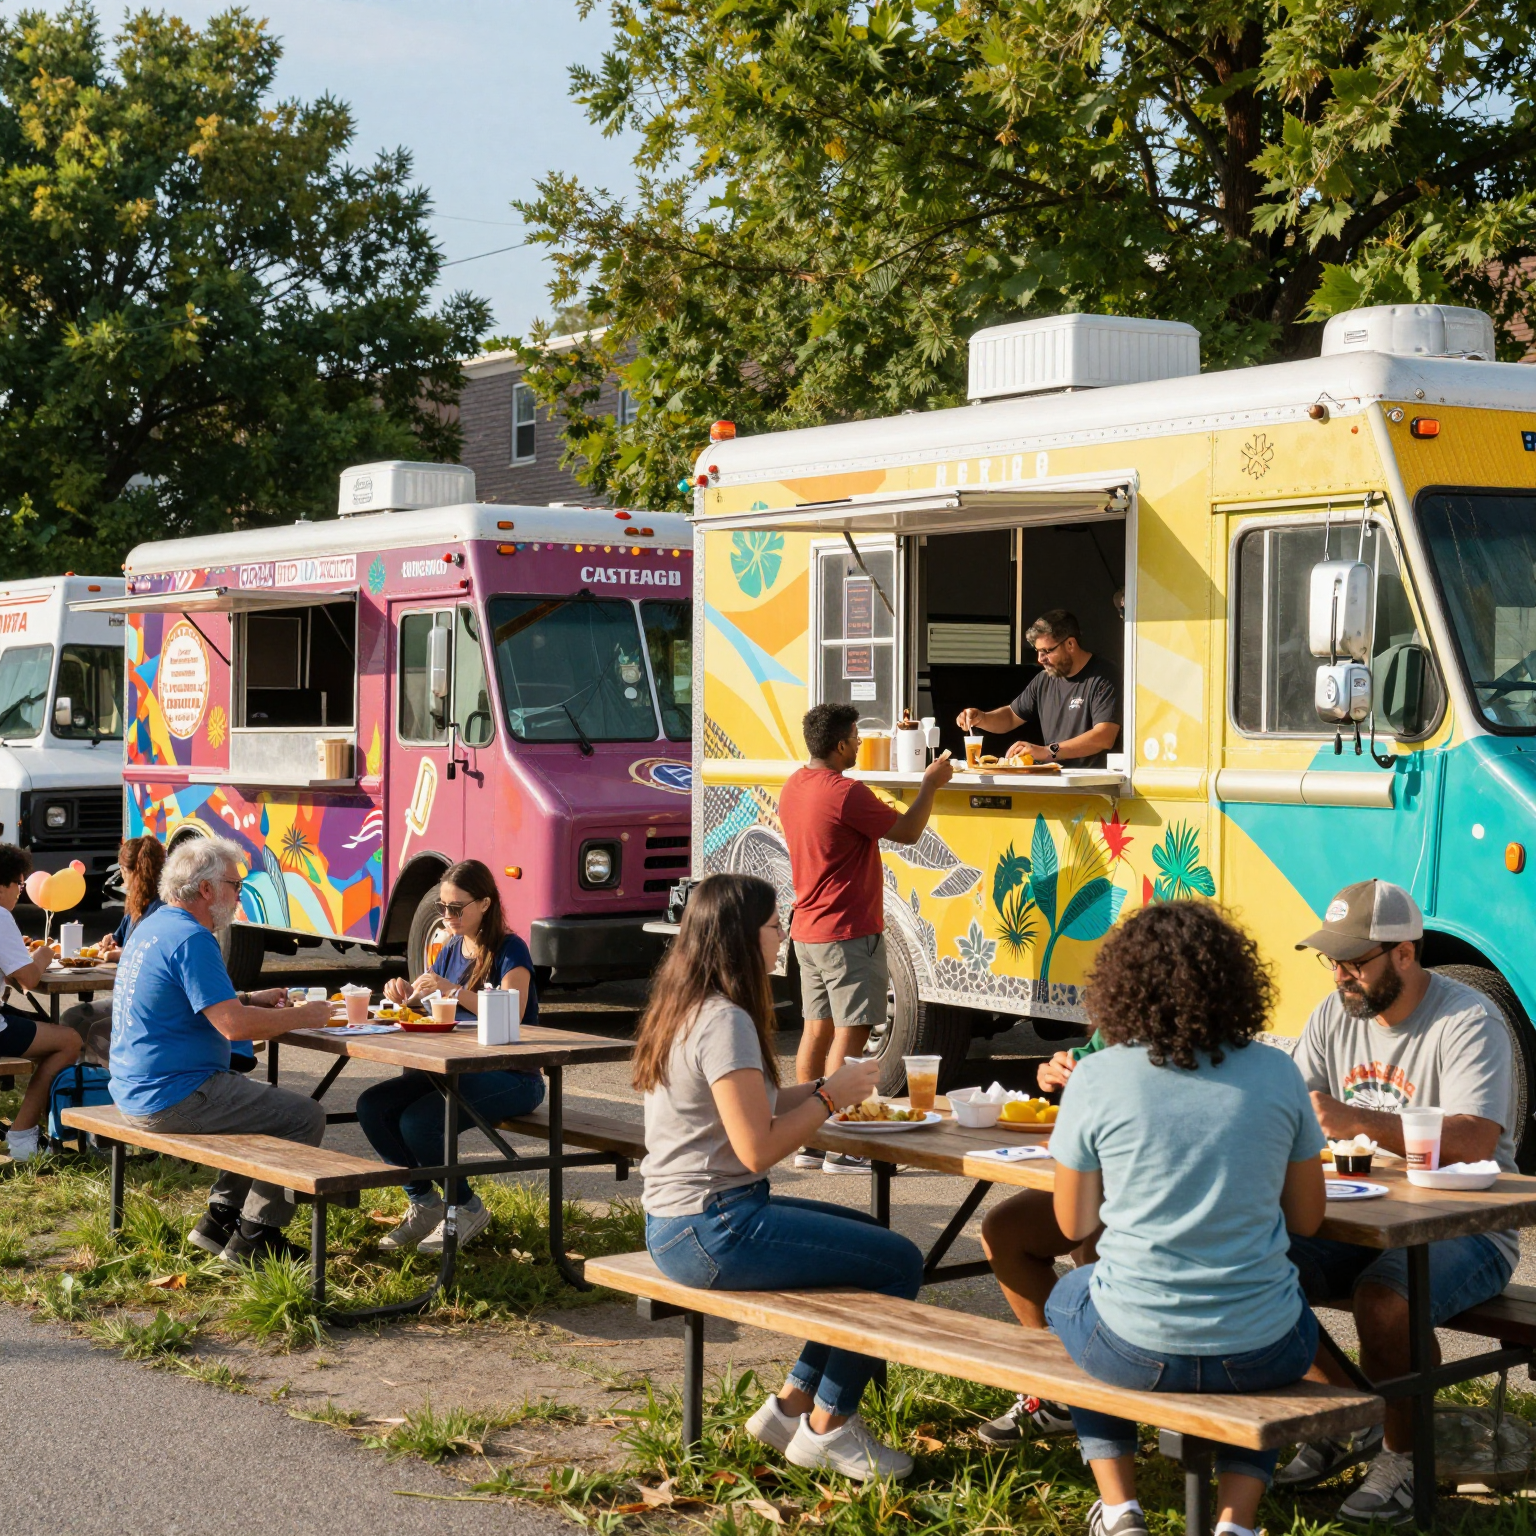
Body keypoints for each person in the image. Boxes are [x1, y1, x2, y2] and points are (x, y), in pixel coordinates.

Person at [1042, 901, 1327, 1536]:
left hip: (1133, 1350)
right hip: (1261, 1351)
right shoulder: (1279, 1073)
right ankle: (1238, 1522)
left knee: (1072, 1297)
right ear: (1236, 980)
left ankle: (1120, 1510)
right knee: (1277, 1310)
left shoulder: (1096, 1077)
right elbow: (1308, 1218)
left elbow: (1071, 1226)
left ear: (1121, 985)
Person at [636, 872, 925, 1482]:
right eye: (774, 926)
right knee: (896, 1263)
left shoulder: (690, 1004)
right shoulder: (724, 1021)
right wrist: (828, 1100)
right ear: (742, 938)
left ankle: (792, 1407)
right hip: (712, 1226)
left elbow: (754, 1104)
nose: (783, 939)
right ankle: (830, 1426)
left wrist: (823, 1088)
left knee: (871, 1250)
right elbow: (756, 1148)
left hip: (684, 1221)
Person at [1281, 880, 1518, 1524]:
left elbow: (1476, 1138)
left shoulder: (1468, 1019)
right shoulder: (1334, 1013)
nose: (1339, 975)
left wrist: (1352, 1117)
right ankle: (1342, 1415)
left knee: (1385, 1301)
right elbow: (1294, 1107)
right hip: (1362, 1215)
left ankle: (1406, 1457)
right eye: (1331, 960)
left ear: (1406, 955)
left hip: (1469, 1224)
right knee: (1253, 1266)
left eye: (1355, 961)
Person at [110, 836, 334, 1264]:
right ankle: (256, 1236)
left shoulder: (156, 925)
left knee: (256, 1105)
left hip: (136, 1087)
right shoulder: (193, 938)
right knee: (303, 1117)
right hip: (170, 1094)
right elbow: (233, 1028)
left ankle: (219, 1219)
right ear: (207, 890)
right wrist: (307, 1015)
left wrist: (249, 998)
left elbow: (195, 1002)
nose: (239, 895)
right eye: (236, 885)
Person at [779, 701, 953, 1173]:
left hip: (807, 929)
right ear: (839, 745)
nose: (859, 745)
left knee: (816, 1031)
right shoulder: (845, 792)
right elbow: (910, 831)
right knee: (852, 1037)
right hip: (849, 930)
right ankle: (845, 1143)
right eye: (856, 738)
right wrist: (929, 785)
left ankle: (809, 1140)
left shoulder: (794, 785)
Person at [360, 858, 545, 1254]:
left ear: (485, 904)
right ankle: (426, 1203)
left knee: (420, 1122)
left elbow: (512, 1012)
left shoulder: (511, 949)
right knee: (372, 1106)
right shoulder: (450, 948)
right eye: (442, 908)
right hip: (453, 1071)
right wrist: (404, 994)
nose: (448, 916)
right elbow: (428, 1006)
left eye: (457, 908)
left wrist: (452, 990)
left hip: (514, 1076)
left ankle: (465, 1206)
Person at [976, 1025, 1107, 1445]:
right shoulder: (1124, 1017)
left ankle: (1097, 1388)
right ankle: (1061, 1390)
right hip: (1110, 1177)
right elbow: (1088, 1058)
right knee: (1006, 1231)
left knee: (1093, 1239)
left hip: (1152, 1193)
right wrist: (1057, 1070)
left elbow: (1075, 1221)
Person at [0, 843, 82, 1162]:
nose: (21, 892)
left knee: (48, 1033)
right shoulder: (2, 916)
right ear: (3, 884)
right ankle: (23, 1139)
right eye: (19, 884)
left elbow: (12, 977)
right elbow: (29, 981)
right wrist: (43, 954)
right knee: (69, 1041)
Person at [957, 609, 1121, 768]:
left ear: (1070, 644)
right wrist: (982, 718)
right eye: (1037, 651)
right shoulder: (1044, 679)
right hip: (1055, 781)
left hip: (1094, 785)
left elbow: (1104, 736)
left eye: (1046, 651)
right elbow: (1011, 716)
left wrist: (1047, 751)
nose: (1040, 659)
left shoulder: (1104, 676)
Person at [63, 836, 168, 1068]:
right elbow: (119, 939)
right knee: (72, 1018)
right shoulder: (136, 904)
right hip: (130, 996)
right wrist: (109, 942)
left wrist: (121, 955)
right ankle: (77, 1086)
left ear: (126, 870)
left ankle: (100, 1090)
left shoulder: (164, 908)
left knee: (96, 1029)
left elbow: (156, 955)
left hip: (151, 1003)